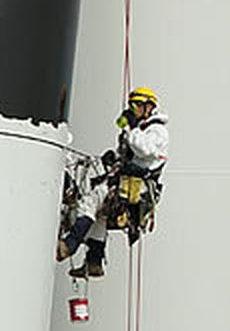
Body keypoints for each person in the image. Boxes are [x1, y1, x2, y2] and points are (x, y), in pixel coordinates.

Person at [57, 86, 168, 277]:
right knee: (100, 216)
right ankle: (94, 262)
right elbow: (129, 153)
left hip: (136, 185)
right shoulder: (141, 129)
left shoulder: (157, 130)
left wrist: (132, 128)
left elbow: (145, 149)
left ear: (148, 107)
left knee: (89, 202)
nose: (132, 110)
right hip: (125, 179)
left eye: (136, 106)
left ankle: (69, 245)